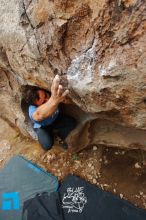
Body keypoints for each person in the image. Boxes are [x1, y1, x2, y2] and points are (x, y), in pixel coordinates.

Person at [24, 75, 77, 150]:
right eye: (43, 102)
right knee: (47, 145)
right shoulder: (32, 109)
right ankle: (50, 134)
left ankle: (58, 136)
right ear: (36, 106)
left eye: (46, 95)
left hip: (54, 119)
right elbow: (38, 115)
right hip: (43, 127)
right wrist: (53, 100)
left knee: (72, 123)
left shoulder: (51, 92)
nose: (47, 99)